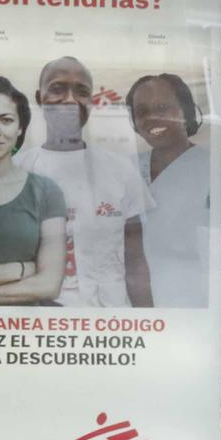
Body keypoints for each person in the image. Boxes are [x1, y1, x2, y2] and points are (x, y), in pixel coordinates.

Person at [25, 57, 152, 308]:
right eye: (58, 88)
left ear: (92, 103)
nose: (70, 100)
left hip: (112, 321)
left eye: (81, 92)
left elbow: (136, 261)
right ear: (39, 99)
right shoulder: (19, 171)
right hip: (42, 323)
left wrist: (147, 321)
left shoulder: (121, 170)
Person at [0, 76, 66, 306]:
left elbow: (49, 285)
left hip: (24, 333)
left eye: (6, 120)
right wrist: (17, 269)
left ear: (20, 128)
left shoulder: (45, 191)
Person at [128, 73, 210, 309]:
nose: (152, 117)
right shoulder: (125, 168)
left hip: (190, 304)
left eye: (163, 107)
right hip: (129, 307)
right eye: (142, 112)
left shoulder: (210, 168)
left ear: (185, 111)